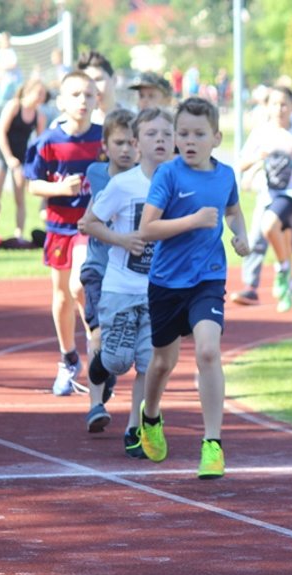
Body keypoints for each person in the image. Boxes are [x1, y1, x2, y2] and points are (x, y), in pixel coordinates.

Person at [136, 97, 250, 478]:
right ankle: (151, 415)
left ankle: (212, 444)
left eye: (198, 134)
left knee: (207, 351)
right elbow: (147, 229)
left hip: (208, 277)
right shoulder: (168, 175)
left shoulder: (225, 175)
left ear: (216, 138)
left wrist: (240, 236)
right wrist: (193, 221)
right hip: (167, 281)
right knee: (163, 363)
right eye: (182, 134)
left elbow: (232, 211)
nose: (189, 141)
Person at [83, 107, 174, 458]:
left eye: (167, 135)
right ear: (137, 144)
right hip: (120, 287)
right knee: (119, 362)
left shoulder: (179, 183)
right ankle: (102, 364)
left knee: (149, 365)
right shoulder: (123, 185)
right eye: (151, 134)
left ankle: (135, 428)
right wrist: (121, 240)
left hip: (158, 291)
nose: (160, 141)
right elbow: (90, 223)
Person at [24, 71, 103, 396]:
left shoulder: (104, 139)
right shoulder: (48, 141)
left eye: (88, 95)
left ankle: (97, 349)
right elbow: (33, 184)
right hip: (59, 227)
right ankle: (68, 358)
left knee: (79, 285)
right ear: (60, 102)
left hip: (90, 226)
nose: (82, 101)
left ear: (97, 100)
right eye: (75, 95)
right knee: (61, 297)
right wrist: (58, 188)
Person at [231, 85, 292, 312]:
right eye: (275, 104)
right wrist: (257, 158)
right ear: (267, 107)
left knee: (276, 232)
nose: (279, 109)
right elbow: (241, 164)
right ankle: (250, 287)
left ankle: (285, 269)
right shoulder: (261, 133)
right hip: (267, 196)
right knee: (261, 240)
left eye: (284, 104)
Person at [76, 108, 137, 433]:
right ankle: (95, 405)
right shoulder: (96, 173)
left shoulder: (145, 179)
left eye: (131, 143)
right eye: (119, 142)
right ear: (105, 145)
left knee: (123, 344)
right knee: (98, 333)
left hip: (131, 276)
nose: (125, 149)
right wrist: (88, 221)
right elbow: (91, 213)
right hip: (98, 268)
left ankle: (105, 371)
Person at [0, 79, 47, 241]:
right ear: (28, 91)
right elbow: (0, 132)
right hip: (2, 153)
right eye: (39, 93)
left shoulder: (39, 116)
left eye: (43, 95)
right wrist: (8, 157)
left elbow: (40, 143)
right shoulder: (14, 106)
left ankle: (19, 235)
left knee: (20, 196)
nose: (41, 98)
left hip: (20, 157)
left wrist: (37, 165)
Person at [76, 51, 118, 124]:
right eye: (88, 81)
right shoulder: (75, 123)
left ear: (114, 79)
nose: (93, 86)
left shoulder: (133, 119)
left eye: (98, 79)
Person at [0, 32, 21, 106]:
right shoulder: (0, 52)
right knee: (0, 98)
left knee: (19, 96)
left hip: (15, 80)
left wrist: (4, 67)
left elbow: (14, 65)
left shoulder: (11, 52)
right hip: (6, 80)